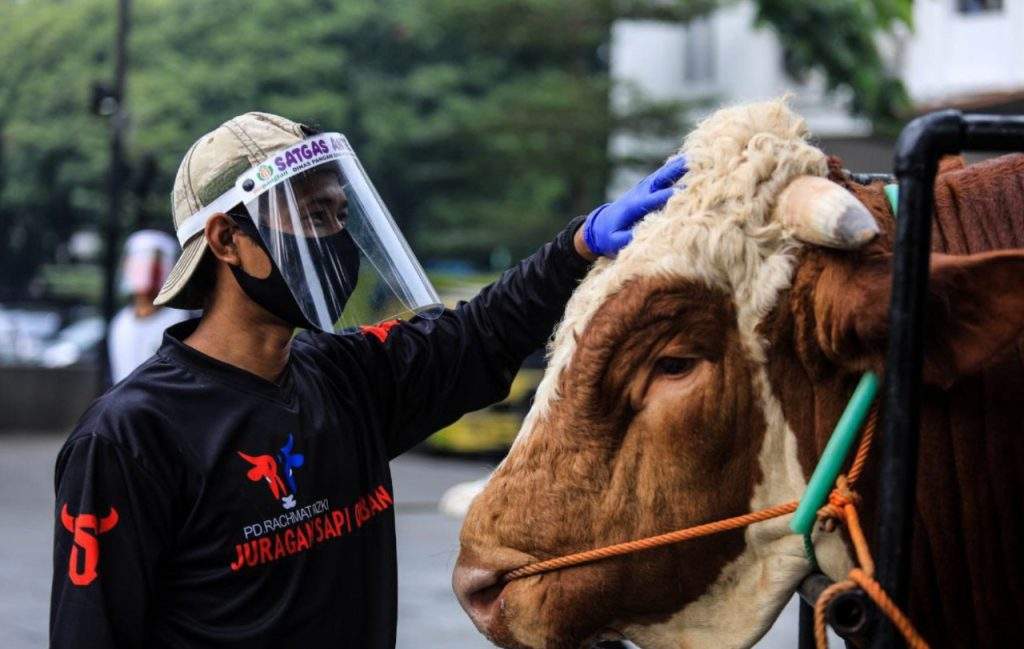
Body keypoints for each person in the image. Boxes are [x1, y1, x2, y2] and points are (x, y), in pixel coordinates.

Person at [50, 112, 686, 648]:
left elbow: (479, 334)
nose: (337, 237)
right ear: (226, 239)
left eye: (340, 214)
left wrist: (579, 246)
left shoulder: (345, 376)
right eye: (313, 216)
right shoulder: (131, 436)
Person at [108, 229, 193, 382]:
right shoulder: (121, 323)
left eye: (156, 260)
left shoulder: (181, 322)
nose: (146, 268)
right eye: (139, 260)